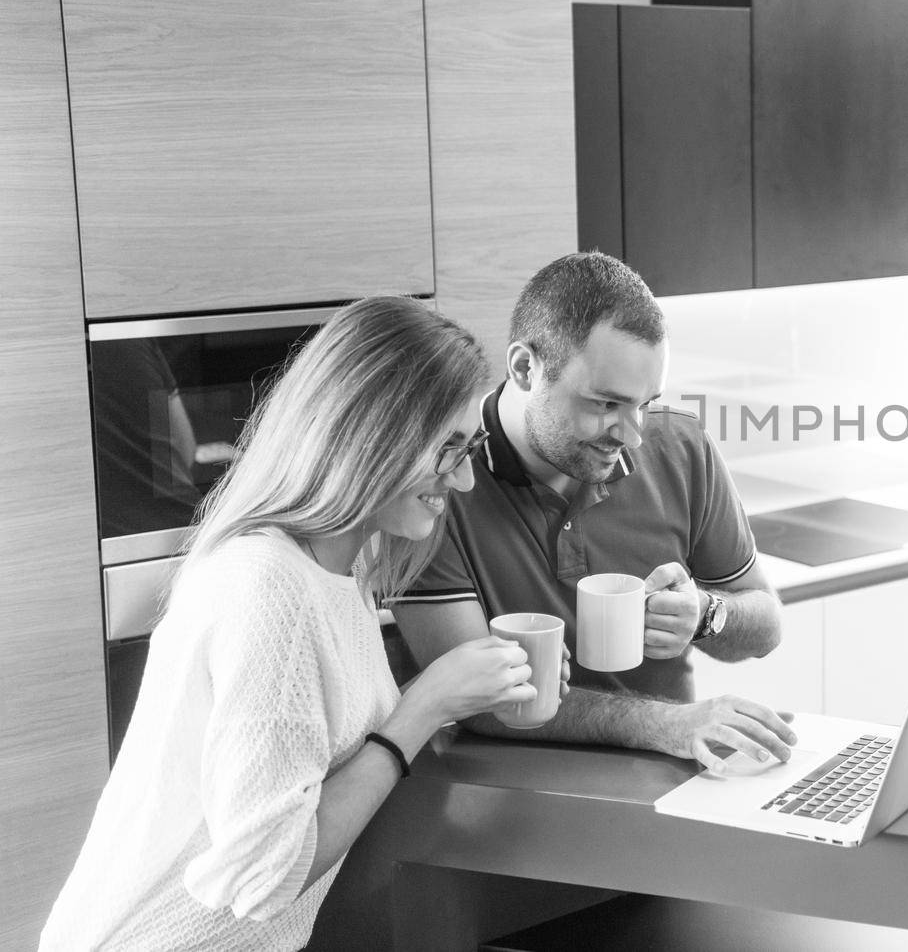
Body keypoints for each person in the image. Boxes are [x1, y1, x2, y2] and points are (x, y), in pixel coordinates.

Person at [41, 297, 561, 952]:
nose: (461, 480)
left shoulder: (334, 575)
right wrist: (423, 707)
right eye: (447, 450)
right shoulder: (271, 591)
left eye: (470, 448)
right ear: (373, 433)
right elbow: (266, 875)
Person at [392, 252, 799, 772]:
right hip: (501, 793)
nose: (632, 435)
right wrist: (661, 725)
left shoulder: (681, 445)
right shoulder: (438, 480)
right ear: (524, 368)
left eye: (645, 404)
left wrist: (706, 615)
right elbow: (480, 702)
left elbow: (765, 624)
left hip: (672, 771)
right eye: (606, 404)